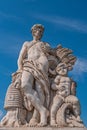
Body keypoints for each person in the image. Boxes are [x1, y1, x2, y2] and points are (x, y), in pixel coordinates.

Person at [17, 24, 51, 126]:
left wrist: (49, 50)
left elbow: (52, 53)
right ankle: (42, 110)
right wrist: (19, 69)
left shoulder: (45, 44)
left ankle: (41, 116)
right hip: (28, 64)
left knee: (40, 88)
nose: (39, 33)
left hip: (42, 62)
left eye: (41, 32)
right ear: (33, 32)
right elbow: (20, 58)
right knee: (25, 85)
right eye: (37, 31)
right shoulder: (27, 44)